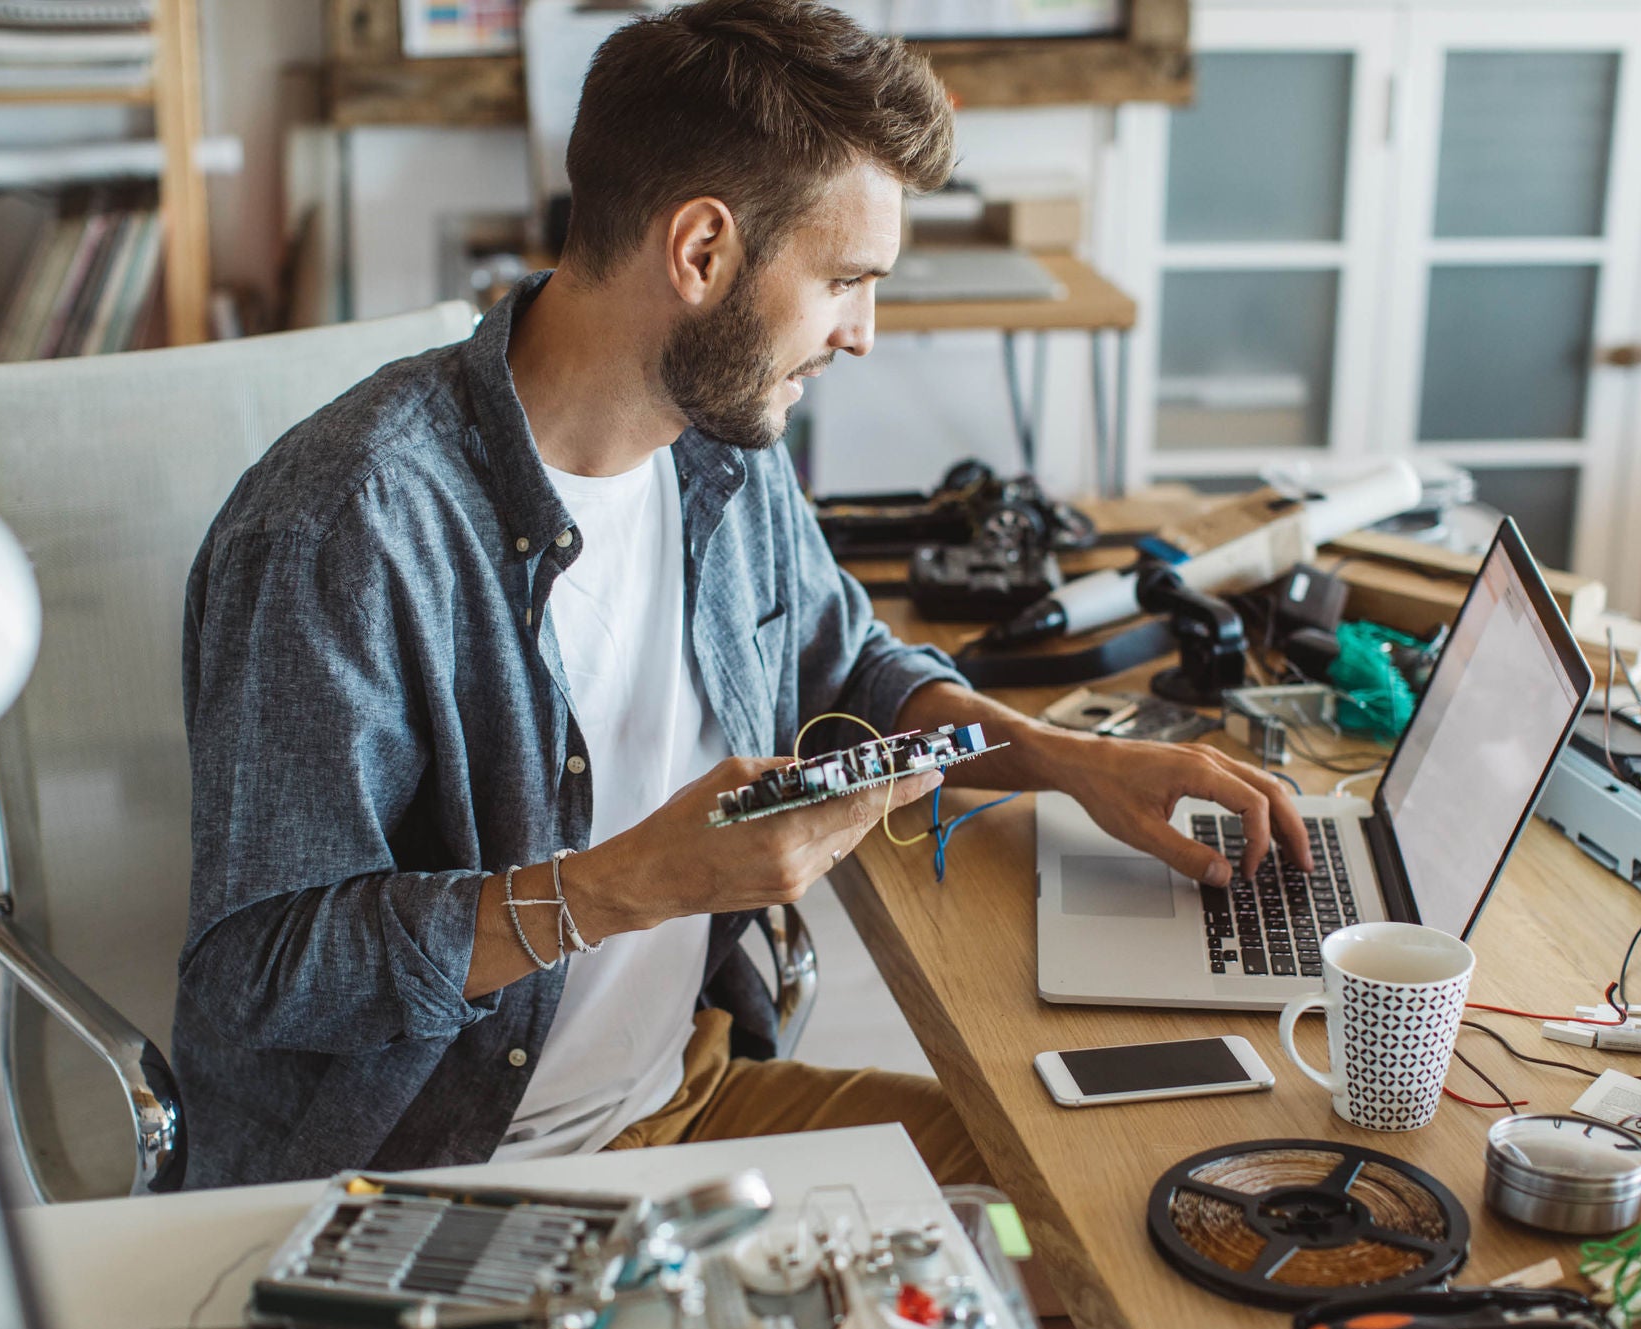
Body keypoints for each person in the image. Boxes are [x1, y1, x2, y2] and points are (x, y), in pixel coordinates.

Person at [174, 0, 1308, 1192]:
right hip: (422, 1174)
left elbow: (846, 665)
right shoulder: (341, 526)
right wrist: (635, 882)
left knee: (1120, 1201)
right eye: (844, 281)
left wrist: (1064, 760)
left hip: (685, 1100)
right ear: (701, 252)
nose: (862, 335)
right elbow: (260, 972)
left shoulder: (723, 445)